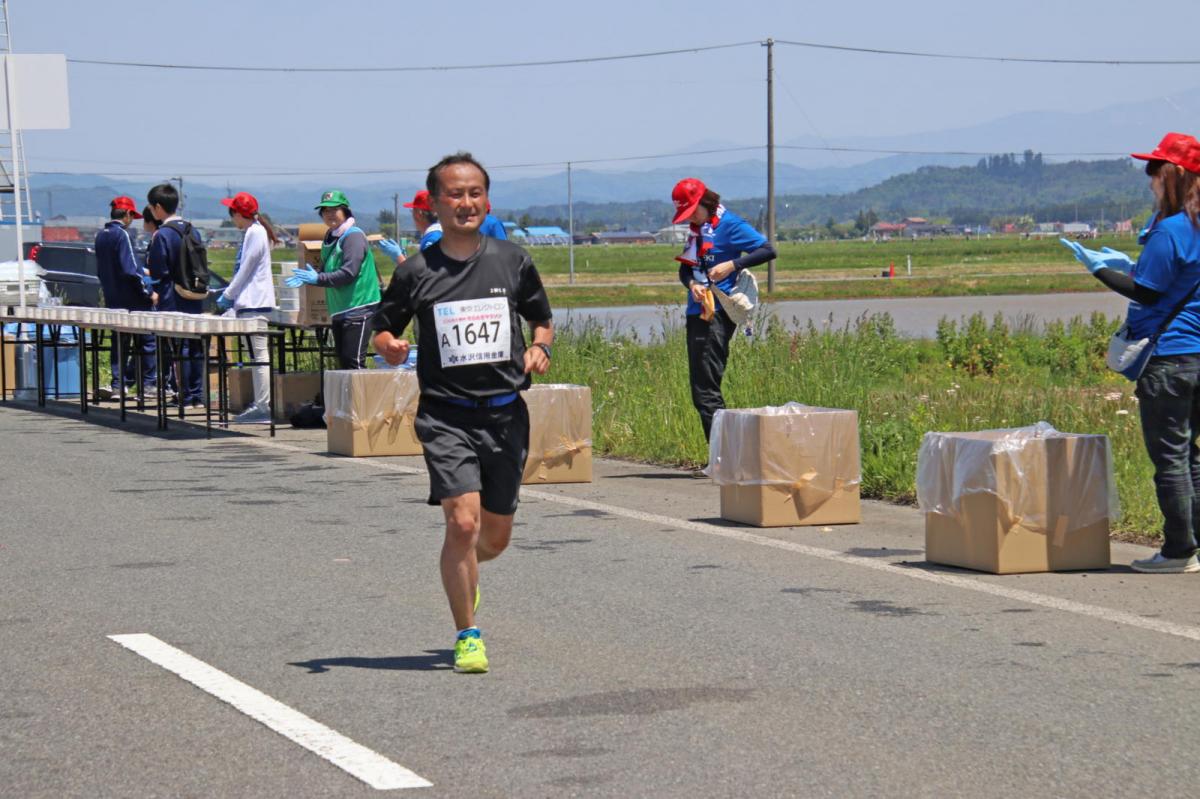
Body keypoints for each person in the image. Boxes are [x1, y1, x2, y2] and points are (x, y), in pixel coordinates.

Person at [372, 152, 553, 674]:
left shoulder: (511, 260)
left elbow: (541, 319)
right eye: (454, 194)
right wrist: (388, 345)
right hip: (446, 416)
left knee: (493, 537)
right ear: (433, 204)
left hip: (505, 416)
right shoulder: (415, 272)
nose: (465, 202)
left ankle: (466, 577)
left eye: (474, 193)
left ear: (487, 201)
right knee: (463, 524)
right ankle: (467, 635)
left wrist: (540, 349)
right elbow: (385, 327)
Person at [1062, 131, 1200, 574]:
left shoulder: (1172, 230)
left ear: (1172, 176)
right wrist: (1131, 260)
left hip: (1170, 360)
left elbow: (1148, 292)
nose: (1149, 183)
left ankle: (1179, 552)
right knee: (1192, 454)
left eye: (1153, 174)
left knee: (1172, 459)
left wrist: (1100, 269)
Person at [670, 177, 776, 449]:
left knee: (706, 391)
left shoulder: (730, 225)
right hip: (697, 310)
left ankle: (724, 456)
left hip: (717, 313)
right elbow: (685, 269)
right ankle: (724, 454)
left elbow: (767, 249)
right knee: (701, 390)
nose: (689, 218)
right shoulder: (697, 230)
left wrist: (731, 265)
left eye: (692, 211)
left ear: (706, 202)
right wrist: (692, 283)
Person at [286, 190, 380, 369]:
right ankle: (349, 398)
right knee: (345, 364)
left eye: (334, 210)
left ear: (345, 211)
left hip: (359, 307)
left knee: (354, 364)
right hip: (340, 309)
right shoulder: (331, 237)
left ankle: (363, 397)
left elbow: (348, 272)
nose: (329, 214)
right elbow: (326, 269)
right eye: (325, 211)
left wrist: (318, 278)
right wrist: (310, 276)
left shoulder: (353, 236)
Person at [216, 191, 278, 424]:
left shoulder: (255, 232)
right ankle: (260, 404)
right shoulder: (256, 231)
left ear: (239, 214)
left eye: (232, 214)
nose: (232, 219)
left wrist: (228, 293)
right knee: (255, 357)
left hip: (255, 303)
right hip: (251, 303)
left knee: (259, 357)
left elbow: (246, 267)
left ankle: (262, 406)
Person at [146, 182, 206, 407]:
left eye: (152, 208)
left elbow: (159, 271)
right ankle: (197, 395)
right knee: (196, 346)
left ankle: (185, 395)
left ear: (159, 207)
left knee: (179, 347)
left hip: (172, 295)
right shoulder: (193, 229)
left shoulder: (162, 235)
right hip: (195, 294)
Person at [94, 196, 156, 399]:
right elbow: (130, 269)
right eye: (132, 216)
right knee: (147, 340)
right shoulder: (122, 235)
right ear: (128, 214)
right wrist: (148, 292)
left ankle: (118, 385)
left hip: (113, 297)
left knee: (119, 342)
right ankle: (148, 385)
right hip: (133, 299)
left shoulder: (100, 235)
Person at [376, 189, 508, 265]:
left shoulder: (433, 238)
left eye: (413, 211)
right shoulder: (441, 233)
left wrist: (399, 257)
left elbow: (425, 275)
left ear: (419, 214)